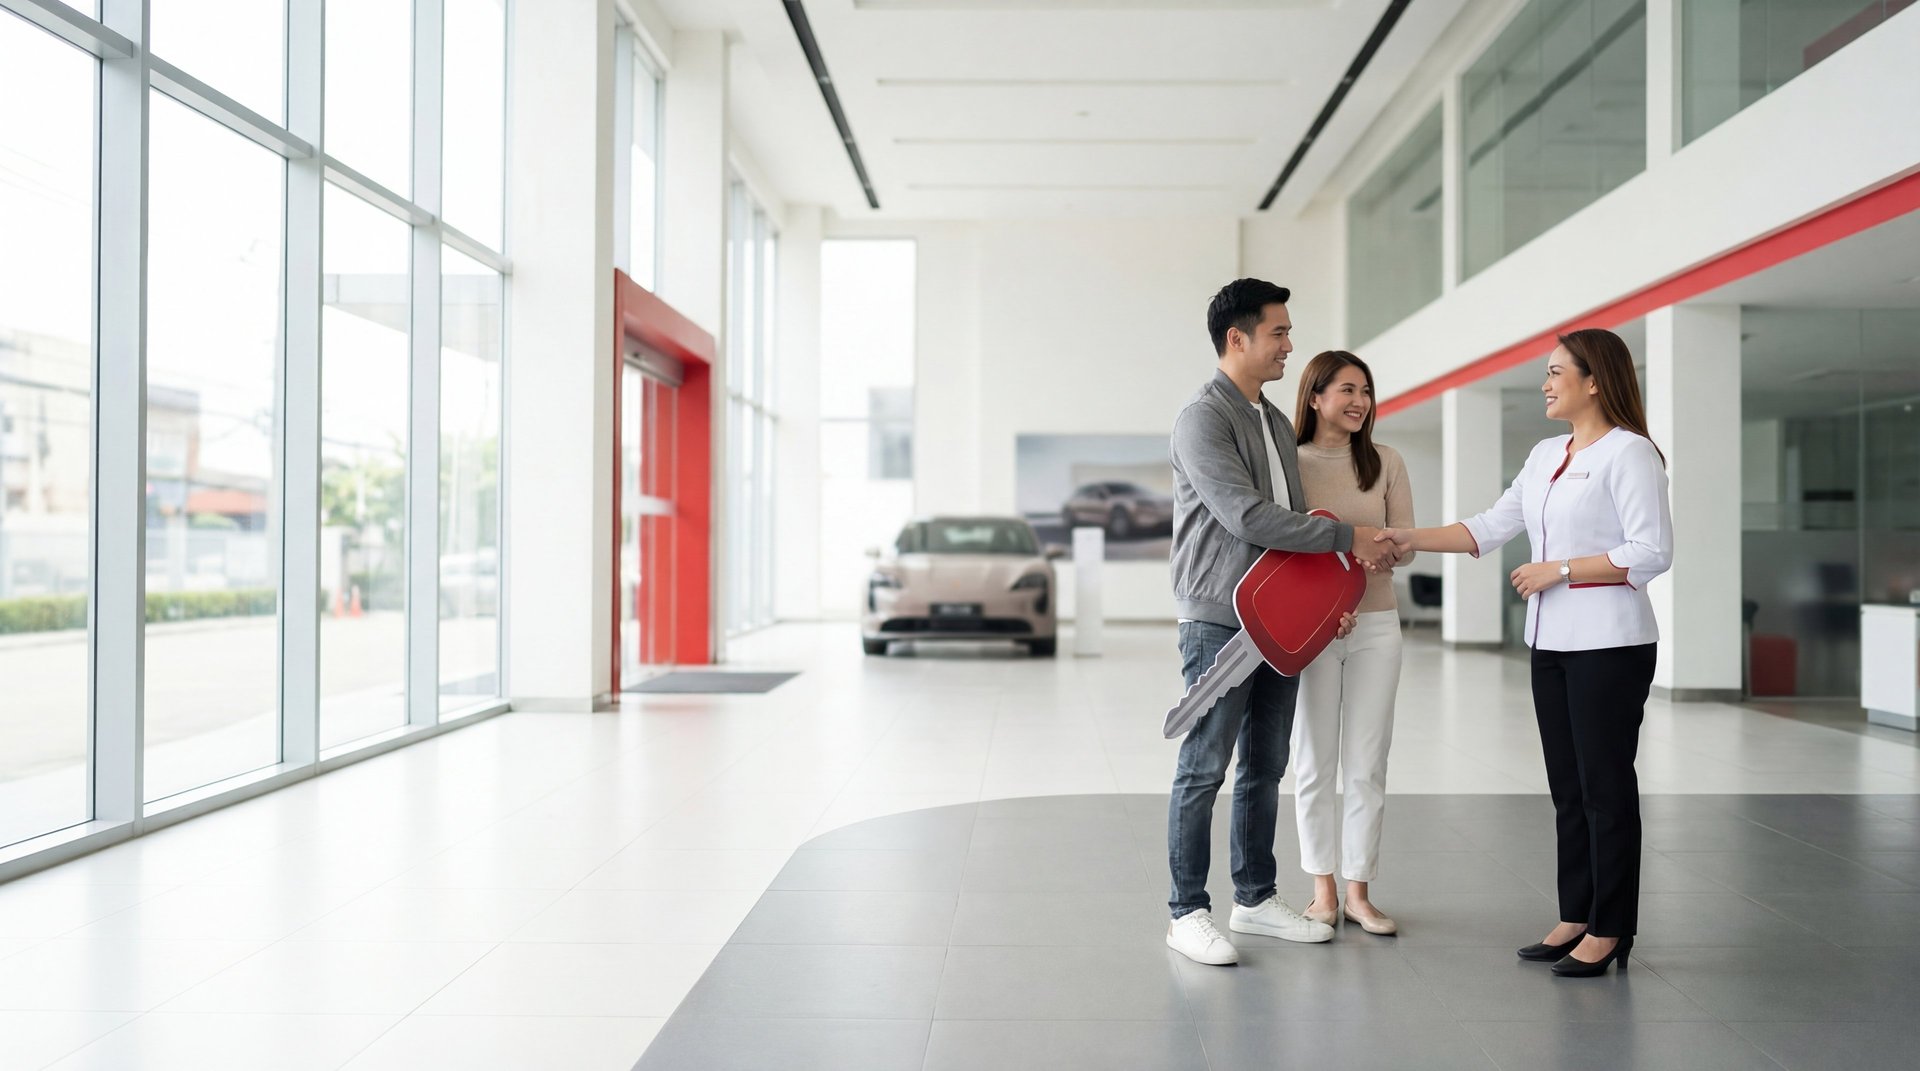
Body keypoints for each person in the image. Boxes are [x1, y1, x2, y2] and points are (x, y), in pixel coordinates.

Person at [1377, 328, 1672, 977]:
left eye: (1556, 371)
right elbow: (1488, 526)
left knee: (1606, 789)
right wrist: (1407, 538)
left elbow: (1652, 552)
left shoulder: (1632, 455)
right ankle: (1577, 912)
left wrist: (1560, 569)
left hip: (1611, 646)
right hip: (1552, 645)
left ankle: (1612, 926)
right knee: (1568, 789)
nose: (1545, 382)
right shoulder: (1546, 454)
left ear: (1595, 380)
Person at [1164, 279, 1400, 966]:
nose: (1290, 346)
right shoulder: (1202, 419)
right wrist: (1347, 538)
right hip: (1220, 619)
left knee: (1267, 764)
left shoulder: (1270, 419)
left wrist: (1327, 591)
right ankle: (1186, 910)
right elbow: (1245, 515)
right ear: (1238, 338)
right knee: (1205, 766)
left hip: (1283, 620)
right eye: (1279, 333)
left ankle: (1256, 896)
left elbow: (1290, 528)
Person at [1289, 351, 1413, 936]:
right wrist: (1343, 570)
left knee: (1367, 763)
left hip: (1377, 625)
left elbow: (1403, 546)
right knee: (1314, 760)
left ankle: (1360, 892)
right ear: (1314, 396)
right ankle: (1322, 891)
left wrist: (1355, 556)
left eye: (1365, 389)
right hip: (1311, 629)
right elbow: (1282, 546)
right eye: (1346, 389)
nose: (1360, 400)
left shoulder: (1386, 461)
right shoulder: (1289, 462)